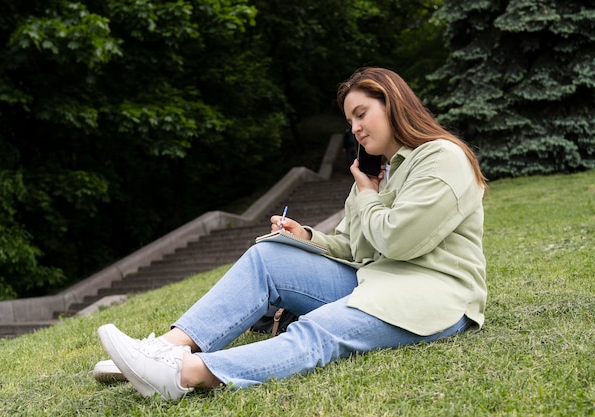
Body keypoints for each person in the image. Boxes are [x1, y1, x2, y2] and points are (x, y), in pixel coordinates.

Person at [95, 67, 488, 400]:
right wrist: (307, 238)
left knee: (320, 330)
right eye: (350, 120)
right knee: (268, 258)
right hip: (375, 278)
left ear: (393, 103)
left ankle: (185, 374)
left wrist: (369, 195)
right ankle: (163, 349)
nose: (355, 128)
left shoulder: (441, 157)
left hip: (433, 294)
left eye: (362, 114)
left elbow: (399, 241)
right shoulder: (378, 171)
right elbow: (353, 245)